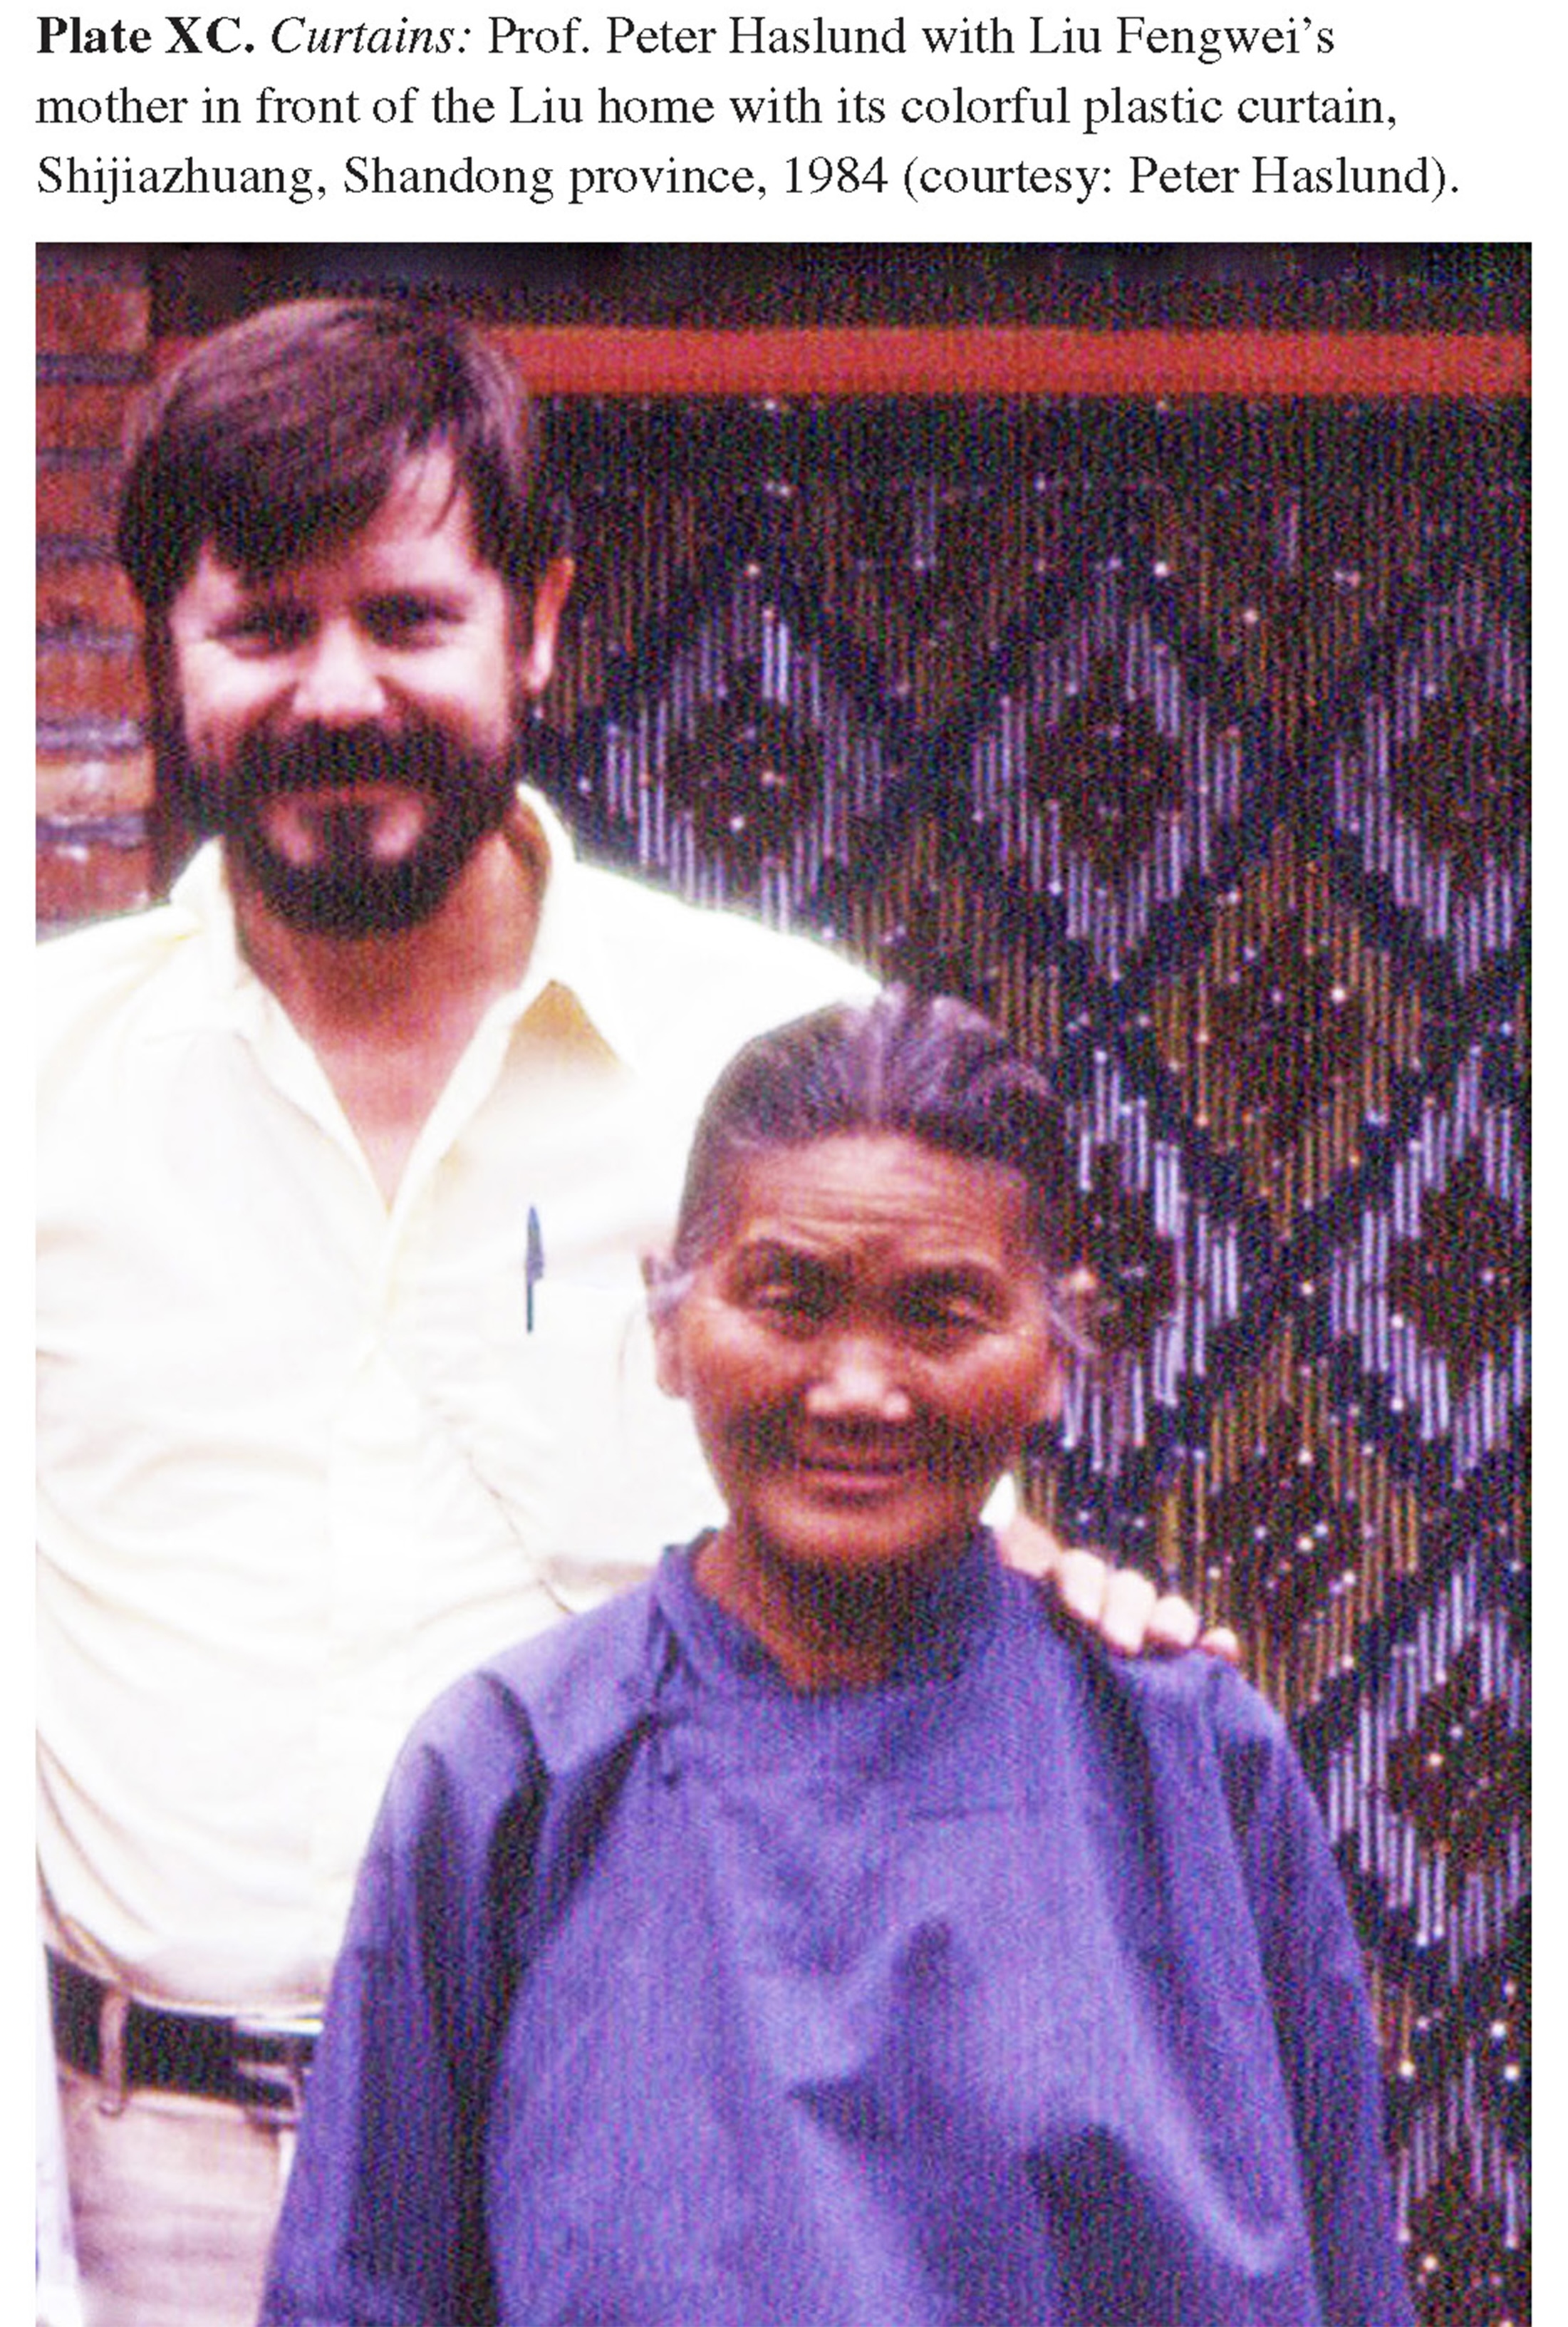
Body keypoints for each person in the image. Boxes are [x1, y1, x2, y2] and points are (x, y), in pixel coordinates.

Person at [38, 299, 1224, 2327]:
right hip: (138, 2187)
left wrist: (1059, 1582)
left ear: (539, 620)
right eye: (264, 627)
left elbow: (896, 1485)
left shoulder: (753, 1061)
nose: (339, 692)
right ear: (165, 645)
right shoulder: (37, 1078)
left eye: (409, 617)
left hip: (642, 2151)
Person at [260, 990, 1413, 2327]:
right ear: (669, 1323)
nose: (858, 1388)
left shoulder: (1187, 1762)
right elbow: (361, 2293)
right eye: (788, 1299)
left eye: (942, 1313)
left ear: (1055, 1347)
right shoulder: (513, 1770)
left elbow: (1343, 2268)